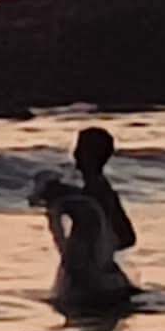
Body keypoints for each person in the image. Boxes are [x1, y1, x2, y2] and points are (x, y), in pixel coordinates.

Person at [25, 125, 138, 313]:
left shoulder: (93, 194)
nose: (75, 154)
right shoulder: (100, 192)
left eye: (80, 149)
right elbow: (127, 238)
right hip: (104, 277)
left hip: (90, 280)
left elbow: (126, 238)